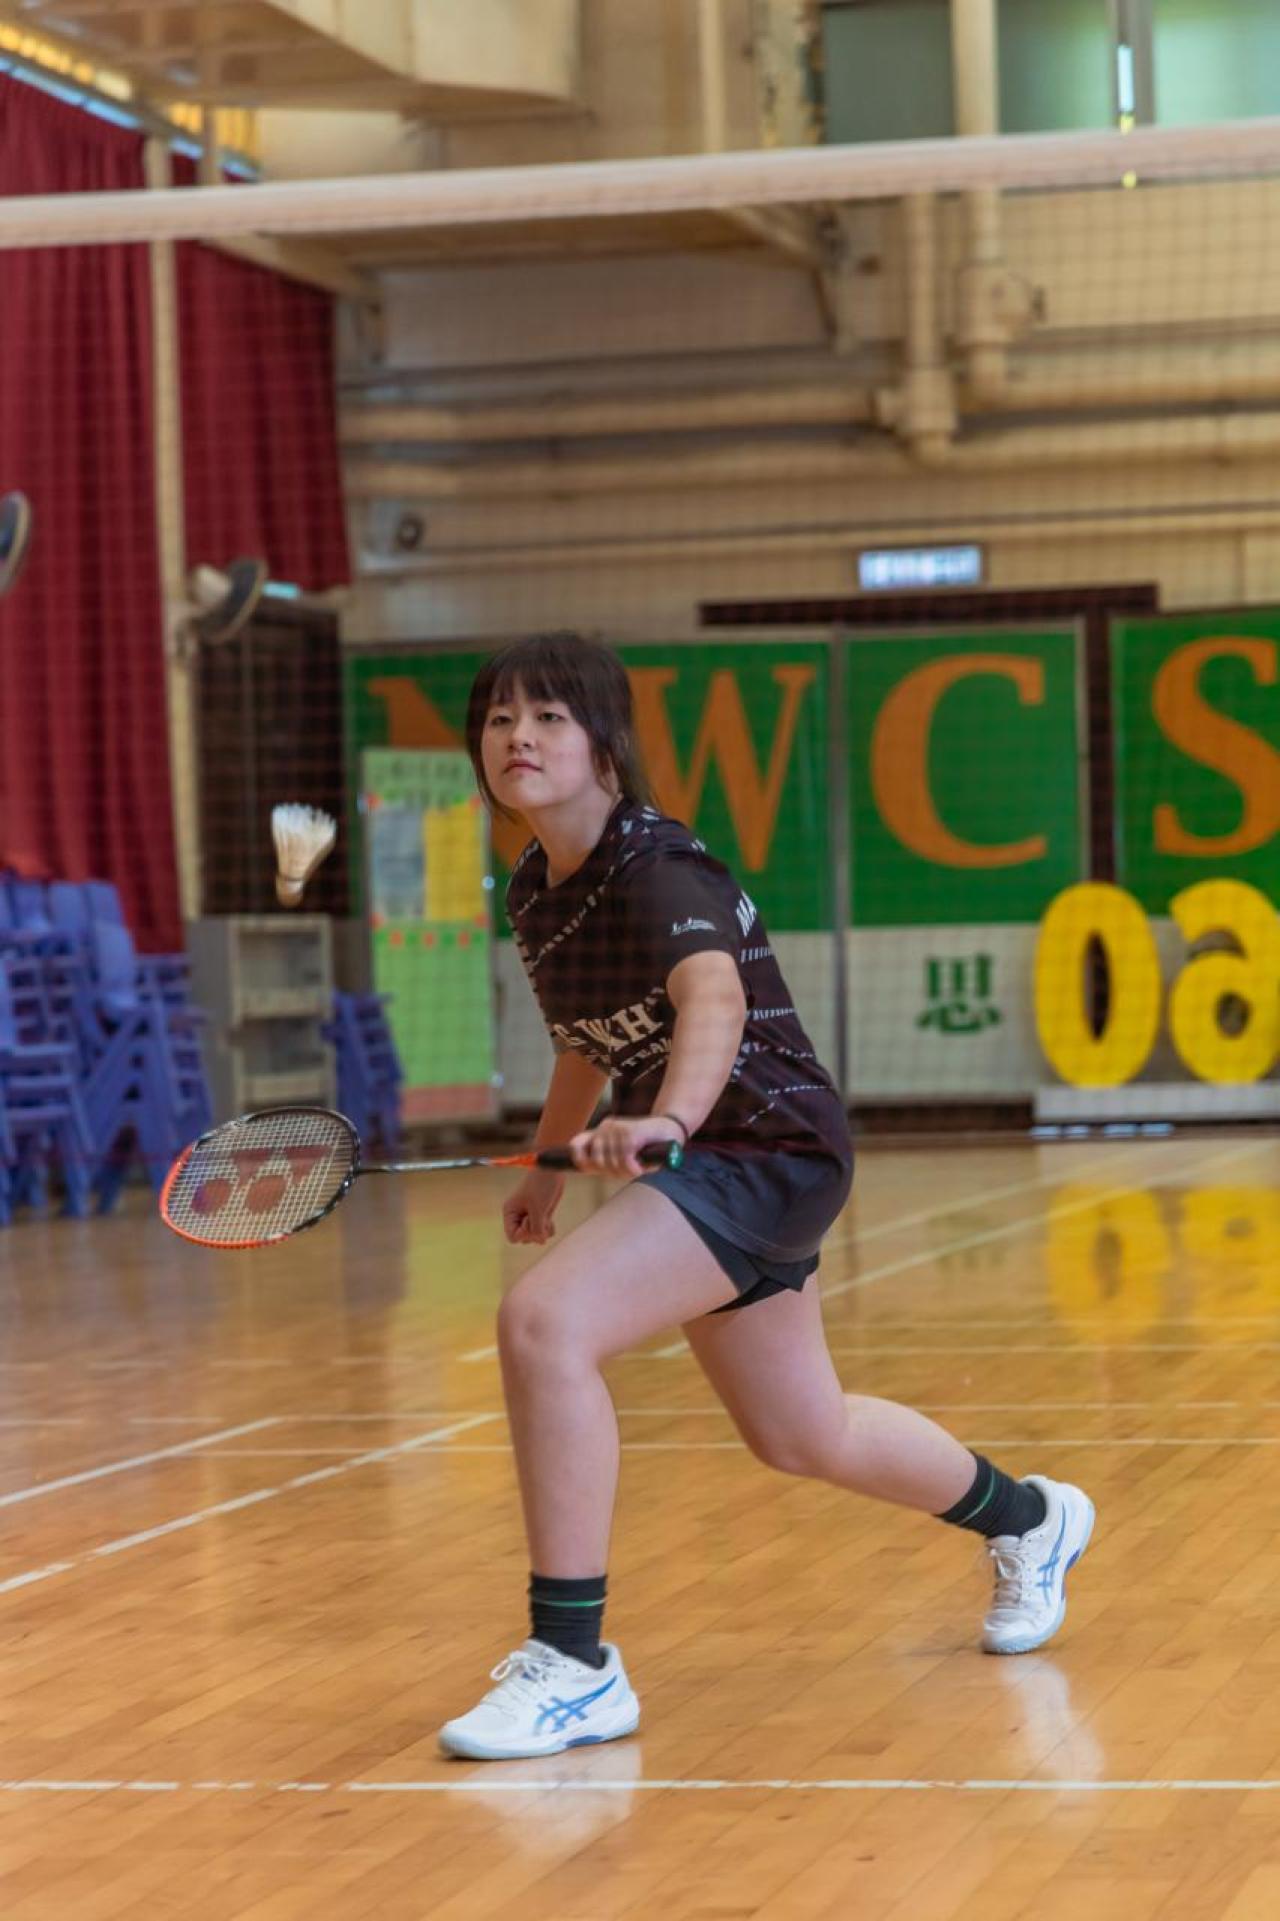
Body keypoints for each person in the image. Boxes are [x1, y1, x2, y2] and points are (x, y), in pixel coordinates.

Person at [438, 633, 1094, 1762]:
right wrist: (549, 1162)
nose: (519, 737)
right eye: (500, 719)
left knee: (544, 1325)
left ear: (604, 745)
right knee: (802, 1431)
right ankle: (1032, 1518)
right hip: (713, 1160)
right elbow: (584, 1039)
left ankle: (574, 1662)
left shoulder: (656, 865)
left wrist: (669, 1122)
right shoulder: (538, 890)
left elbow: (714, 1000)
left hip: (760, 1148)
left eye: (548, 716)